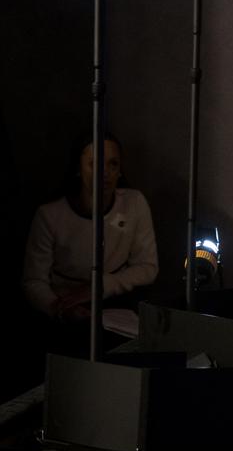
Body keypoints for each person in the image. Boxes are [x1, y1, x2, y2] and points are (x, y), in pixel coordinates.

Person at [22, 132, 158, 339]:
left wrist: (101, 286)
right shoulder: (50, 216)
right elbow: (33, 281)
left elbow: (147, 267)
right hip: (64, 307)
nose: (105, 173)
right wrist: (59, 308)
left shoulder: (134, 203)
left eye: (113, 164)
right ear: (78, 168)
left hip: (115, 307)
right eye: (95, 164)